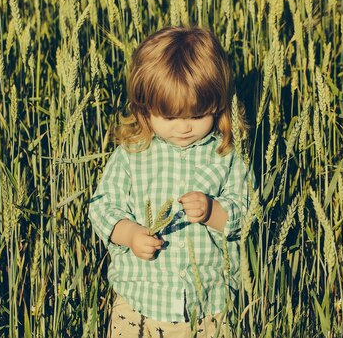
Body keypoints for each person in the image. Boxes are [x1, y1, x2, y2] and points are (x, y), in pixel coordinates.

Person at [88, 26, 251, 337]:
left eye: (197, 115)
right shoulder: (132, 154)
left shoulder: (227, 154)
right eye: (170, 117)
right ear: (146, 109)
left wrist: (213, 211)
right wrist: (130, 234)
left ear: (217, 106)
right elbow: (101, 207)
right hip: (138, 307)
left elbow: (248, 211)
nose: (184, 128)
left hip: (209, 309)